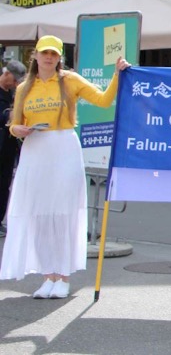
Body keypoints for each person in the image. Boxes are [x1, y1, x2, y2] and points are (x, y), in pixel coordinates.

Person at [0, 35, 131, 299]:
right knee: (39, 214)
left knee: (63, 211)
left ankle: (63, 276)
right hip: (34, 150)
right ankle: (48, 275)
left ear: (60, 57)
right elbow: (13, 123)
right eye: (45, 53)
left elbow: (103, 100)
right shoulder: (25, 87)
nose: (49, 58)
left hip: (63, 148)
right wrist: (19, 129)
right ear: (35, 55)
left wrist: (117, 75)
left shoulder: (70, 80)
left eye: (54, 54)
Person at [0, 60, 27, 238]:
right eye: (15, 80)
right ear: (7, 74)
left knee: (4, 185)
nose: (16, 84)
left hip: (8, 148)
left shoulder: (11, 93)